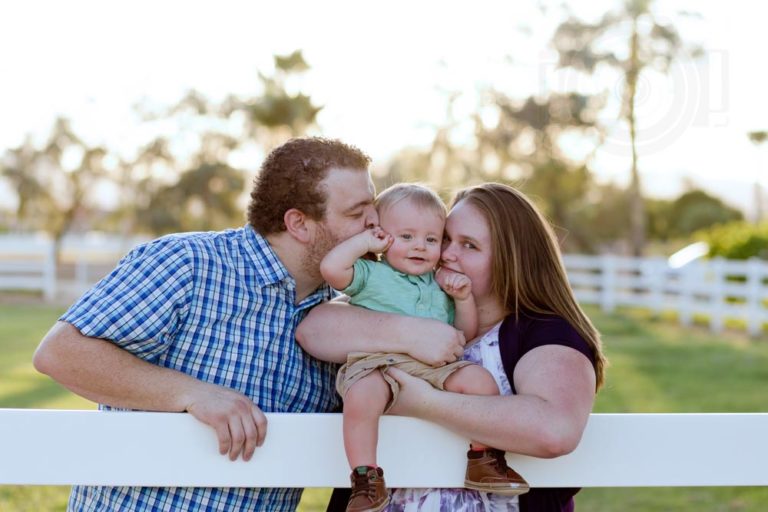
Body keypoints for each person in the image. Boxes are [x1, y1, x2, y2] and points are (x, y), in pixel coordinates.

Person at [32, 137, 391, 512]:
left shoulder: (343, 316)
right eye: (356, 213)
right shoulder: (187, 263)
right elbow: (60, 352)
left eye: (373, 207)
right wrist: (193, 394)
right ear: (298, 223)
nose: (375, 223)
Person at [297, 182, 607, 512]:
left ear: (513, 260)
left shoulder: (544, 331)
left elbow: (553, 429)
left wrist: (424, 402)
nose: (446, 253)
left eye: (469, 245)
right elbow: (313, 331)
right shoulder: (414, 302)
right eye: (445, 238)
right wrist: (412, 333)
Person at [316, 184, 528, 512]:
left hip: (434, 367)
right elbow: (331, 269)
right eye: (406, 237)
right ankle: (365, 477)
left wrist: (462, 299)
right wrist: (364, 243)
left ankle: (483, 458)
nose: (420, 247)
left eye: (432, 239)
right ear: (383, 237)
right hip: (375, 363)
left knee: (480, 382)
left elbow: (463, 334)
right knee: (361, 396)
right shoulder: (372, 274)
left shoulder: (441, 283)